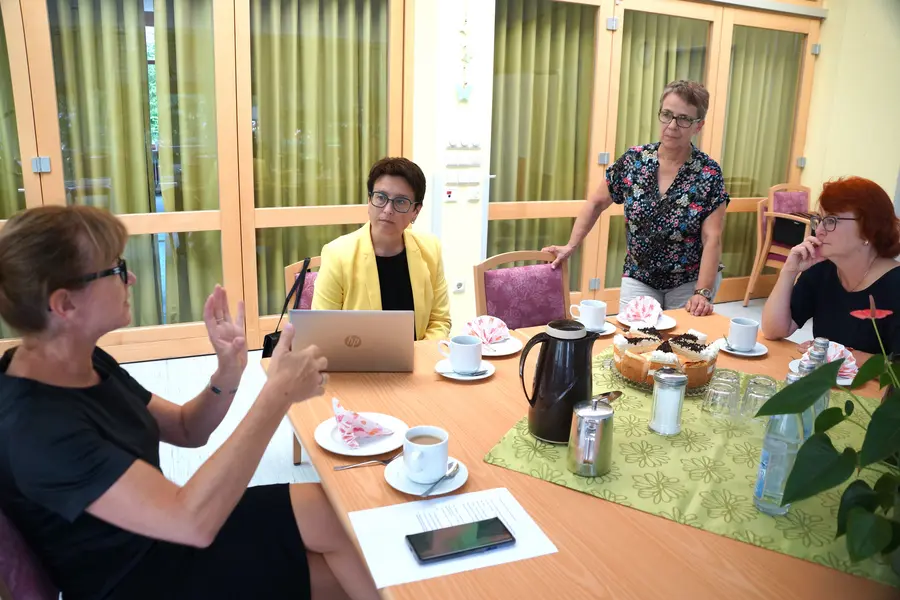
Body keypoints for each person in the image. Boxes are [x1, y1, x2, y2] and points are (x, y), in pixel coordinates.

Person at [0, 206, 378, 600]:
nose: (129, 277)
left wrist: (228, 373)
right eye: (115, 269)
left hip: (164, 532)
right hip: (140, 578)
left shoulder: (81, 359)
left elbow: (186, 428)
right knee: (339, 577)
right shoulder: (34, 429)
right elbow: (192, 522)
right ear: (64, 305)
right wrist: (276, 396)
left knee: (327, 509)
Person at [542, 80, 729, 317]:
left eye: (683, 119)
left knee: (681, 347)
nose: (672, 125)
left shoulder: (709, 173)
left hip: (688, 281)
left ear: (698, 126)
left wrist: (702, 292)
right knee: (633, 341)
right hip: (639, 275)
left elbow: (712, 237)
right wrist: (571, 245)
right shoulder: (634, 161)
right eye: (666, 114)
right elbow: (596, 203)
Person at [312, 157, 451, 340]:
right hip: (358, 365)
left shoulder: (430, 249)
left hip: (418, 362)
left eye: (400, 201)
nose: (387, 209)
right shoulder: (337, 254)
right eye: (381, 197)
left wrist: (416, 357)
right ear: (369, 200)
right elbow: (322, 328)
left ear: (416, 211)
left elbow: (439, 321)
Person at [761, 176, 900, 355]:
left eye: (831, 221)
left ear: (869, 228)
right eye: (820, 220)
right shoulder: (822, 270)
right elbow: (774, 331)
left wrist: (839, 354)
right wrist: (788, 271)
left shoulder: (895, 286)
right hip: (828, 382)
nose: (819, 231)